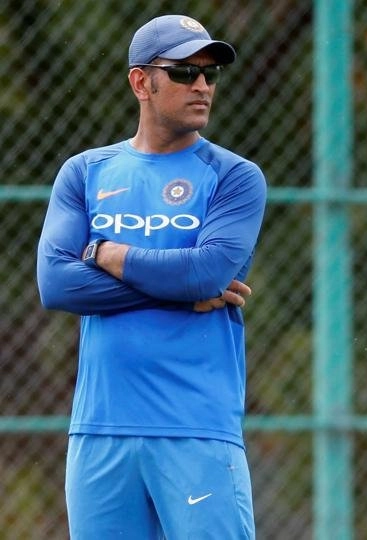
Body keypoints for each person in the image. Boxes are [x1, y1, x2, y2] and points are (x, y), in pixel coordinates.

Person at [36, 14, 266, 539]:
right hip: (99, 431)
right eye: (185, 72)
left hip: (196, 431)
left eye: (210, 74)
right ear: (142, 81)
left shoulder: (235, 176)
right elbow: (57, 284)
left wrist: (103, 251)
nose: (203, 85)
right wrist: (182, 294)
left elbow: (205, 272)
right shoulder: (85, 172)